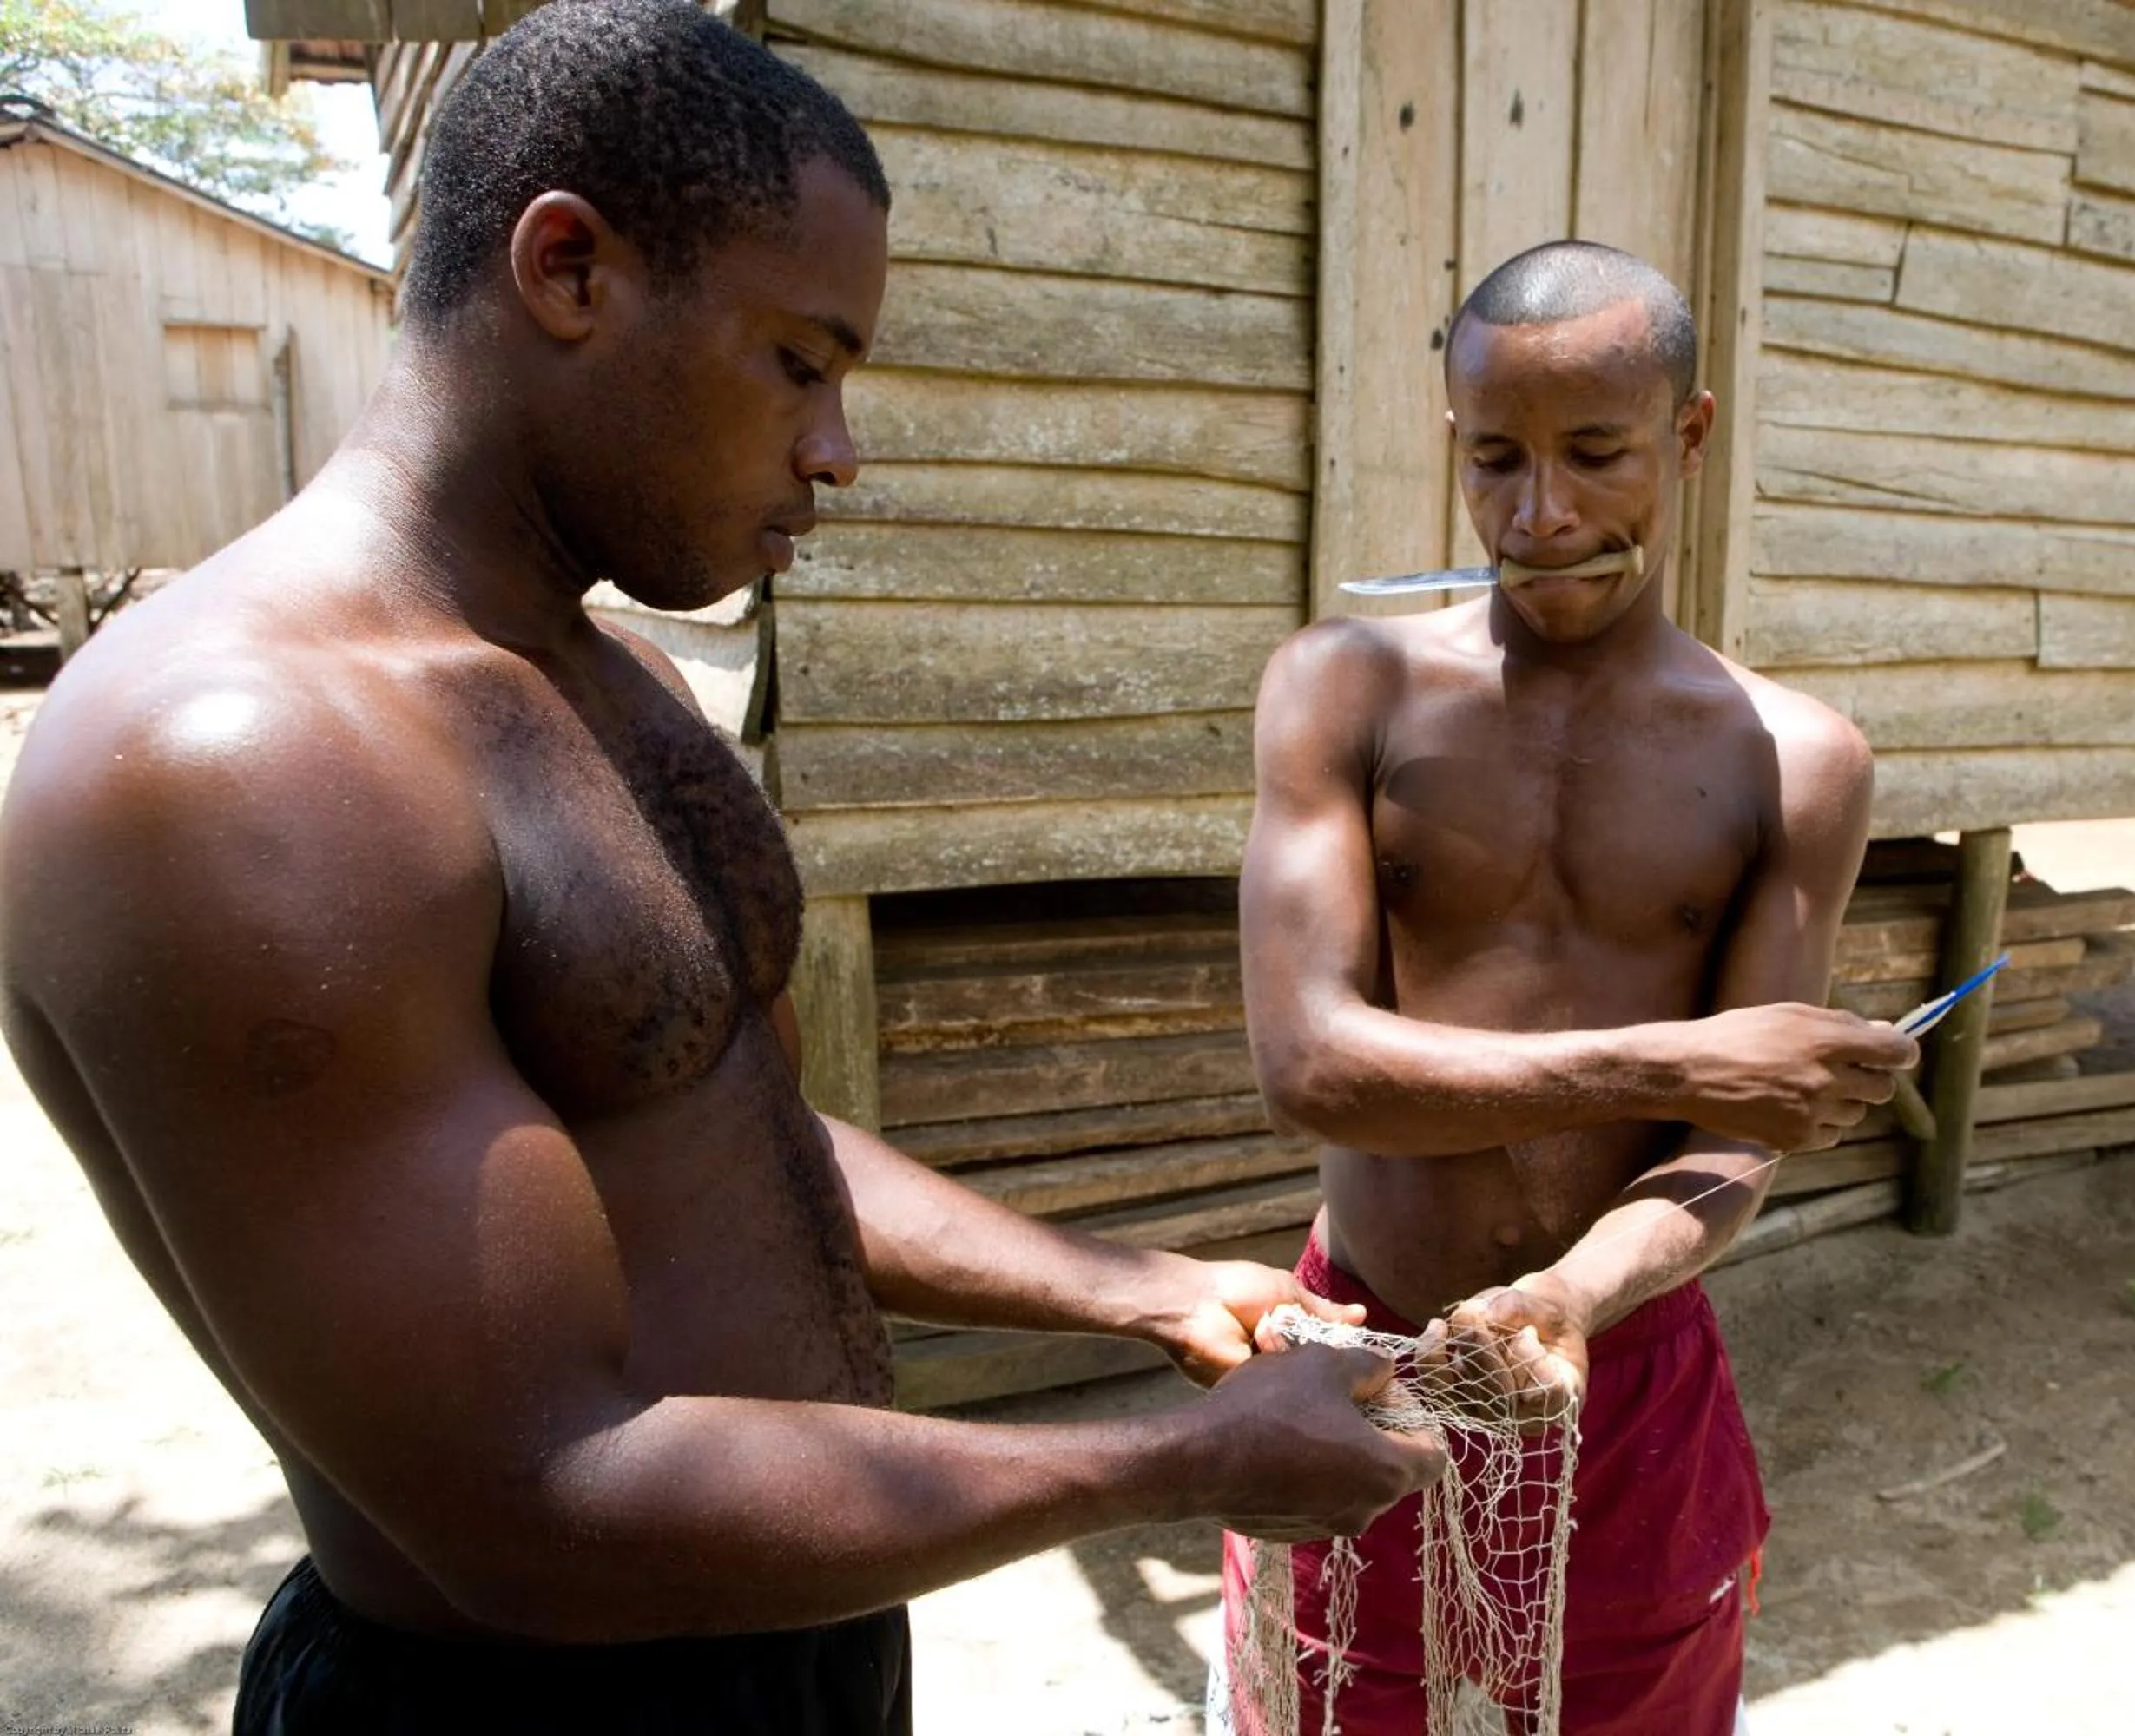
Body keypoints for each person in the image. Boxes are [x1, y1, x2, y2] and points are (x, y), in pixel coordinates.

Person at [0, 3, 1446, 1730]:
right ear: (569, 270)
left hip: (796, 1639)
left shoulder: (598, 676)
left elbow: (721, 1124)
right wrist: (1171, 1462)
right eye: (798, 362)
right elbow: (535, 1509)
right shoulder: (246, 765)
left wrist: (1137, 1288)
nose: (838, 448)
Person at [1222, 240, 1922, 1733]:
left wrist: (1572, 1296)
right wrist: (1680, 1060)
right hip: (1362, 1361)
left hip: (1629, 1383)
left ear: (1689, 434)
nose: (1540, 515)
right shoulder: (1347, 688)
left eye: (1598, 454)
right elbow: (1311, 1068)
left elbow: (1737, 1139)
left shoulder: (1794, 762)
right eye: (1497, 460)